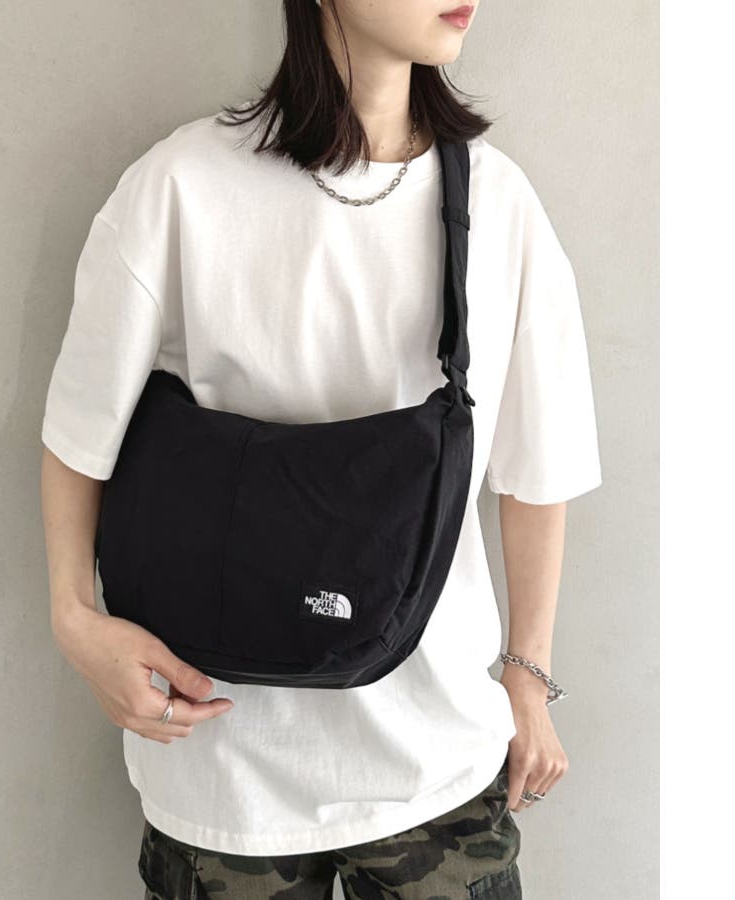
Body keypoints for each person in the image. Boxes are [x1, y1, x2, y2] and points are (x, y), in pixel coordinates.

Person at [40, 1, 602, 897]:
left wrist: (527, 679)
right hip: (221, 767)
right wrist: (76, 623)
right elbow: (80, 435)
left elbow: (539, 469)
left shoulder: (497, 204)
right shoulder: (180, 187)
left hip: (436, 763)